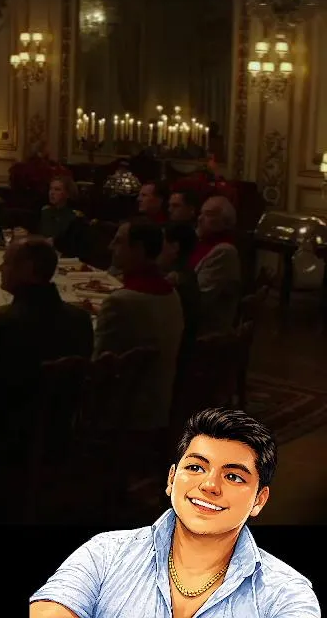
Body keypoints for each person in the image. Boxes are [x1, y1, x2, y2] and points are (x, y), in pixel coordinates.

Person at [30, 408, 319, 617]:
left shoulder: (286, 594)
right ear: (171, 479)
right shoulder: (105, 553)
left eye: (233, 477)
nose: (209, 485)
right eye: (195, 467)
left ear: (259, 500)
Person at [0, 237, 93, 458]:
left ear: (27, 269)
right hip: (57, 434)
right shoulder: (81, 319)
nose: (0, 268)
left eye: (6, 262)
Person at [93, 220, 183, 430]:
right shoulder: (172, 293)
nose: (111, 246)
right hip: (160, 402)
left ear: (139, 249)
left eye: (119, 242)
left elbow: (97, 365)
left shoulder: (121, 301)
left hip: (126, 409)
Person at [191, 195, 242, 333]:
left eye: (208, 214)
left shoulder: (224, 251)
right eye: (201, 213)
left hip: (207, 327)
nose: (200, 219)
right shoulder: (201, 242)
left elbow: (201, 297)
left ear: (225, 221)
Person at [161, 220, 201, 382]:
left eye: (161, 243)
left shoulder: (175, 281)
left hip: (172, 361)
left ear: (175, 247)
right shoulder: (187, 274)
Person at [37, 175, 81, 254]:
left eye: (57, 189)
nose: (52, 193)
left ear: (68, 194)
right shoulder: (45, 212)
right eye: (51, 189)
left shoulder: (74, 216)